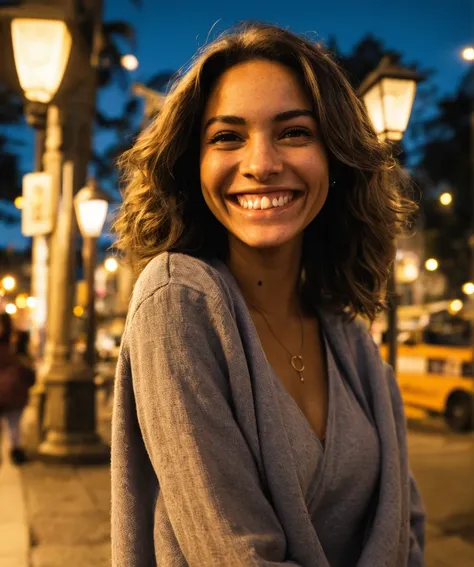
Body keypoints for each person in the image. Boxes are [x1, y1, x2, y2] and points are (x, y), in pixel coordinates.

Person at [111, 22, 425, 567]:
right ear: (194, 164)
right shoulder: (176, 300)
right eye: (227, 137)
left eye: (294, 132)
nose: (261, 164)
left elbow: (407, 525)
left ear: (336, 156)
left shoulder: (346, 332)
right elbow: (233, 553)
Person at [0, 314, 35, 465]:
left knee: (13, 423)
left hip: (12, 392)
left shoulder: (13, 344)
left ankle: (15, 450)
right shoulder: (18, 343)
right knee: (14, 423)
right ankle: (16, 451)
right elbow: (28, 370)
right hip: (14, 391)